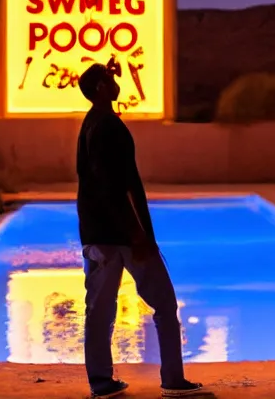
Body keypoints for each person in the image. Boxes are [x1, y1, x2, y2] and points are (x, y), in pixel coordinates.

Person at [76, 63, 204, 399]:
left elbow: (101, 185)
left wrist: (107, 66)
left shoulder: (90, 124)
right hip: (123, 235)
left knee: (100, 309)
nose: (116, 81)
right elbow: (115, 187)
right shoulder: (109, 127)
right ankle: (173, 381)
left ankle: (101, 382)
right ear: (102, 87)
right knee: (164, 302)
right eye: (110, 78)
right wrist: (138, 234)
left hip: (96, 233)